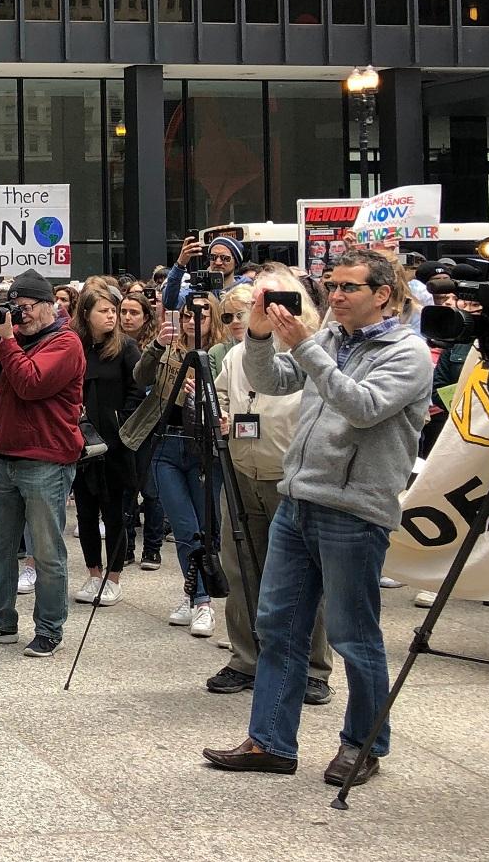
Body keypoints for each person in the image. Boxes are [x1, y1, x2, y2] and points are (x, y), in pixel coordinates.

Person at [203, 251, 431, 783]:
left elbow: (363, 406)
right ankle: (271, 742)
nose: (337, 295)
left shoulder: (408, 352)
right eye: (332, 285)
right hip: (299, 499)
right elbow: (275, 380)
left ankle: (363, 745)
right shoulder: (328, 337)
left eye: (349, 286)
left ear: (384, 294)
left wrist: (305, 345)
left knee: (354, 635)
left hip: (354, 510)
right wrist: (258, 339)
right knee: (278, 625)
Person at [206, 265, 335, 704]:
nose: (262, 313)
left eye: (276, 302)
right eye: (255, 305)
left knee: (303, 575)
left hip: (292, 476)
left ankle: (315, 668)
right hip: (242, 469)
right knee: (241, 567)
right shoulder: (240, 353)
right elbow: (222, 393)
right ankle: (246, 658)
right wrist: (220, 416)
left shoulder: (315, 349)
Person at [0, 269, 86, 658]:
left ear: (50, 306)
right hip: (4, 456)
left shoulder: (66, 343)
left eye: (26, 308)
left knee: (46, 552)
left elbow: (31, 383)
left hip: (46, 461)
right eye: (16, 308)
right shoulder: (12, 339)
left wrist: (8, 340)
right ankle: (0, 621)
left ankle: (49, 628)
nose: (21, 315)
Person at [120, 295, 222, 637]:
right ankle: (199, 597)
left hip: (204, 449)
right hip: (166, 442)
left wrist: (205, 391)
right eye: (189, 314)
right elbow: (140, 377)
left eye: (203, 312)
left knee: (207, 528)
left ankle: (201, 593)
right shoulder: (168, 345)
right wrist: (157, 347)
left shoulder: (221, 353)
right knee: (182, 527)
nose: (195, 319)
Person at [70, 285, 145, 607]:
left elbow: (138, 390)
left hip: (115, 445)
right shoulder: (74, 346)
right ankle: (93, 573)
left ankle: (113, 578)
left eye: (114, 310)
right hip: (82, 444)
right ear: (86, 314)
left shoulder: (127, 348)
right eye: (104, 310)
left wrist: (121, 426)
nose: (112, 316)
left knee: (115, 513)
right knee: (85, 514)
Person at [163, 233, 243, 309]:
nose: (218, 262)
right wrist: (180, 263)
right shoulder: (199, 288)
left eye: (225, 258)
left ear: (236, 262)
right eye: (212, 257)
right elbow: (171, 304)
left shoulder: (247, 290)